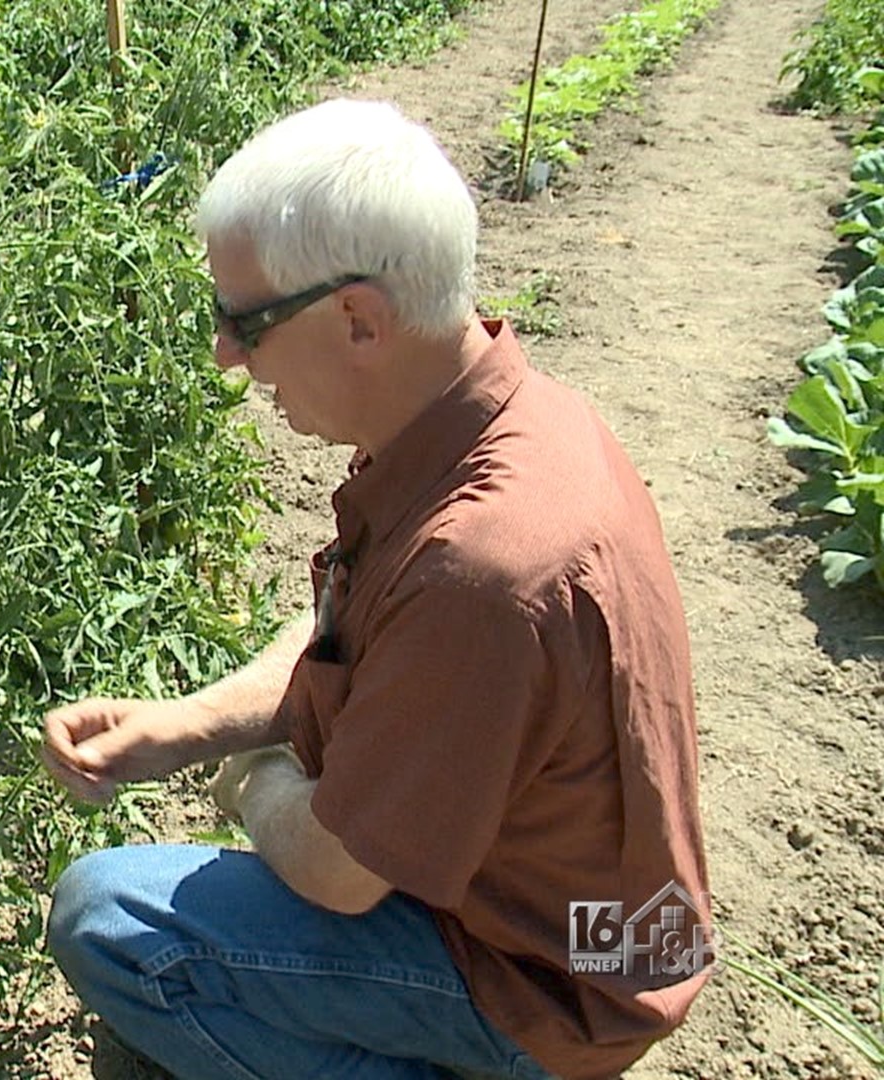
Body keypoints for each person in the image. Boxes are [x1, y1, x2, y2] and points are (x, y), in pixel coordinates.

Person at [40, 98, 710, 1080]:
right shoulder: (496, 425)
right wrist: (189, 724)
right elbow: (349, 631)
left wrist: (254, 780)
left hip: (554, 979)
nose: (226, 354)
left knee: (110, 917)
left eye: (247, 321)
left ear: (359, 318)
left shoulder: (486, 568)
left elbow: (338, 871)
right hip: (592, 922)